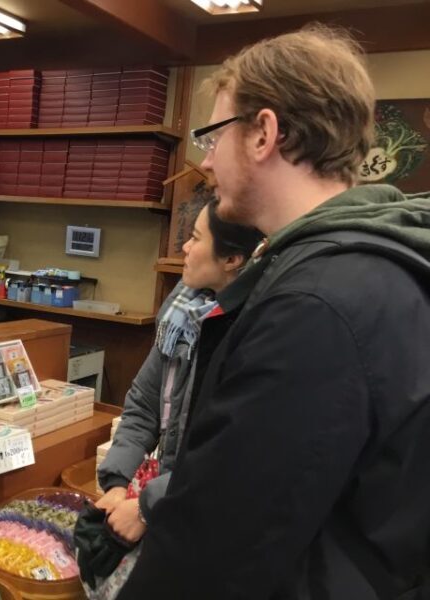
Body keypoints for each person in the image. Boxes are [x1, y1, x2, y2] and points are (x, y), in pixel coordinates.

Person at [116, 25, 430, 599]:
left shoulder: (318, 303)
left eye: (213, 137)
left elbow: (220, 540)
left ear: (263, 133)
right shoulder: (367, 265)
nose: (205, 161)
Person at [88, 199, 261, 596]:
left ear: (232, 259)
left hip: (213, 521)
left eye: (195, 238)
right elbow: (144, 404)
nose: (184, 247)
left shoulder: (254, 329)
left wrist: (146, 509)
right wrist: (117, 482)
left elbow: (229, 454)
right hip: (167, 503)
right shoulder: (181, 312)